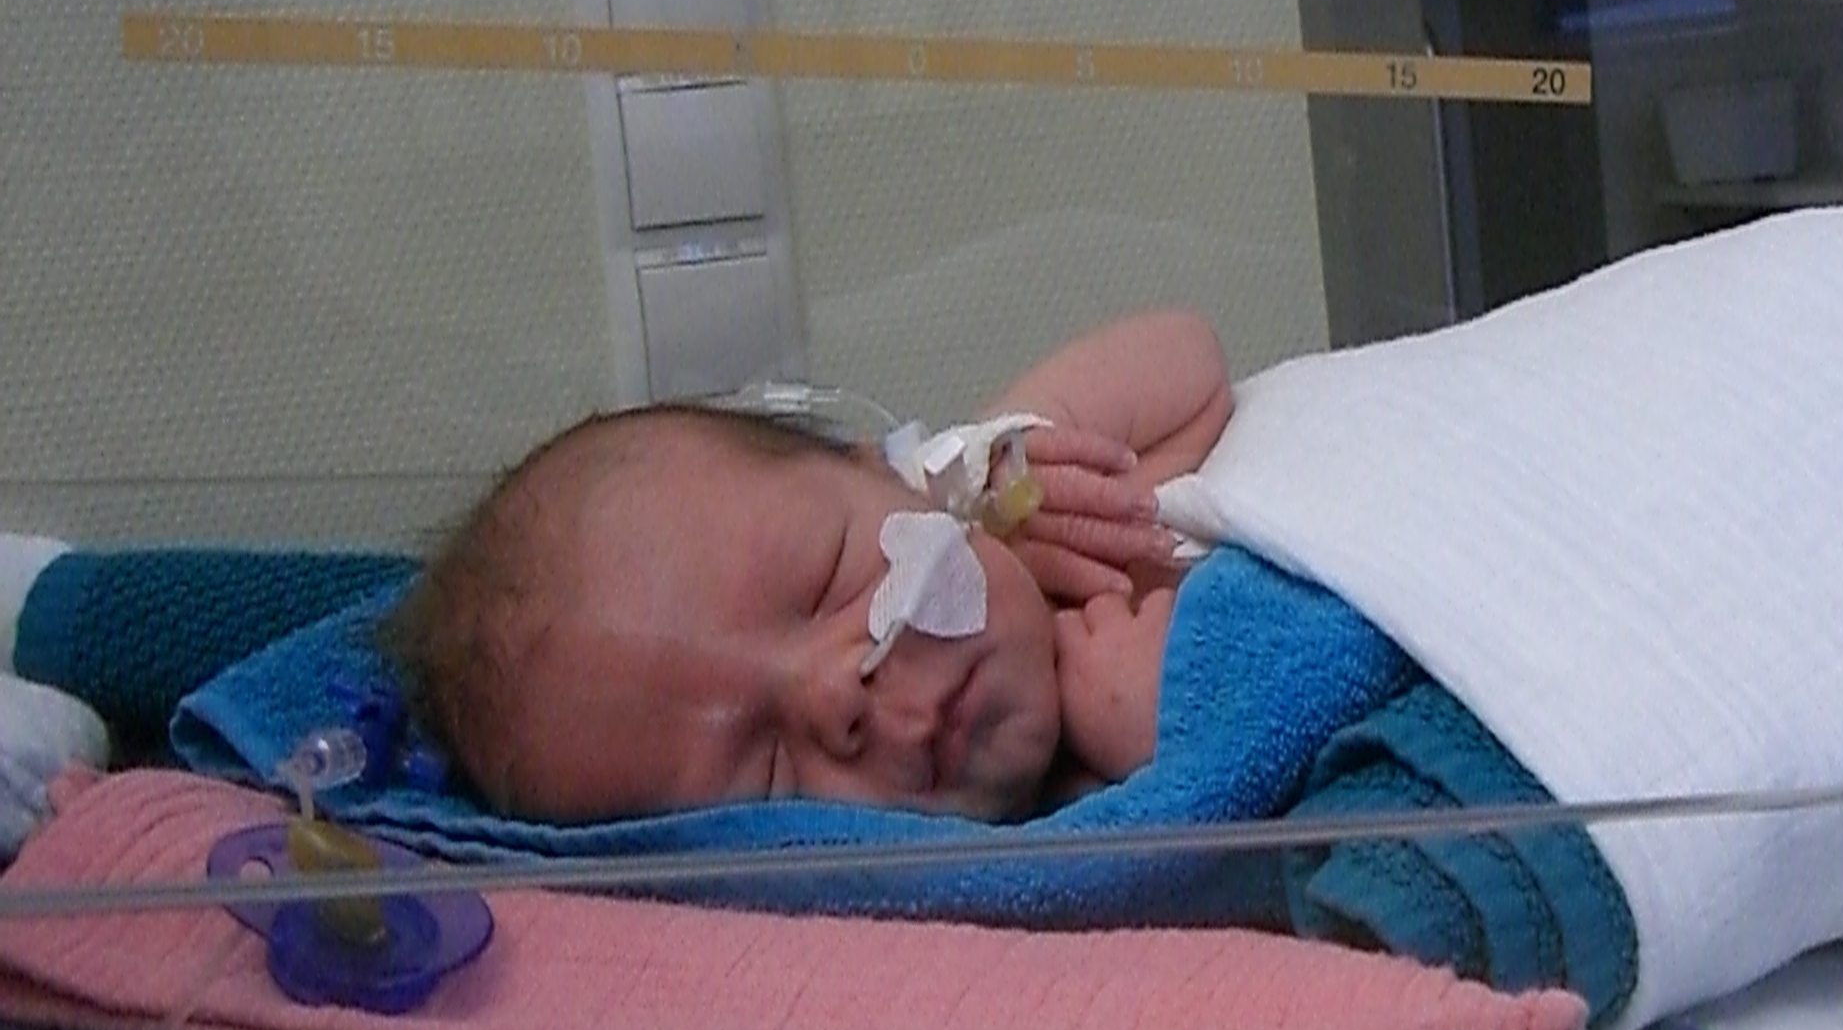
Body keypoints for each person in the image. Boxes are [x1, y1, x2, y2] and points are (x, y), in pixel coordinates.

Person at [379, 310, 1233, 825]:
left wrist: (1000, 467)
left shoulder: (1059, 529)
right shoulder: (1064, 839)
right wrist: (1191, 733)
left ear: (885, 473)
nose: (836, 695)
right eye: (766, 775)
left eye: (829, 579)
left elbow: (1193, 367)